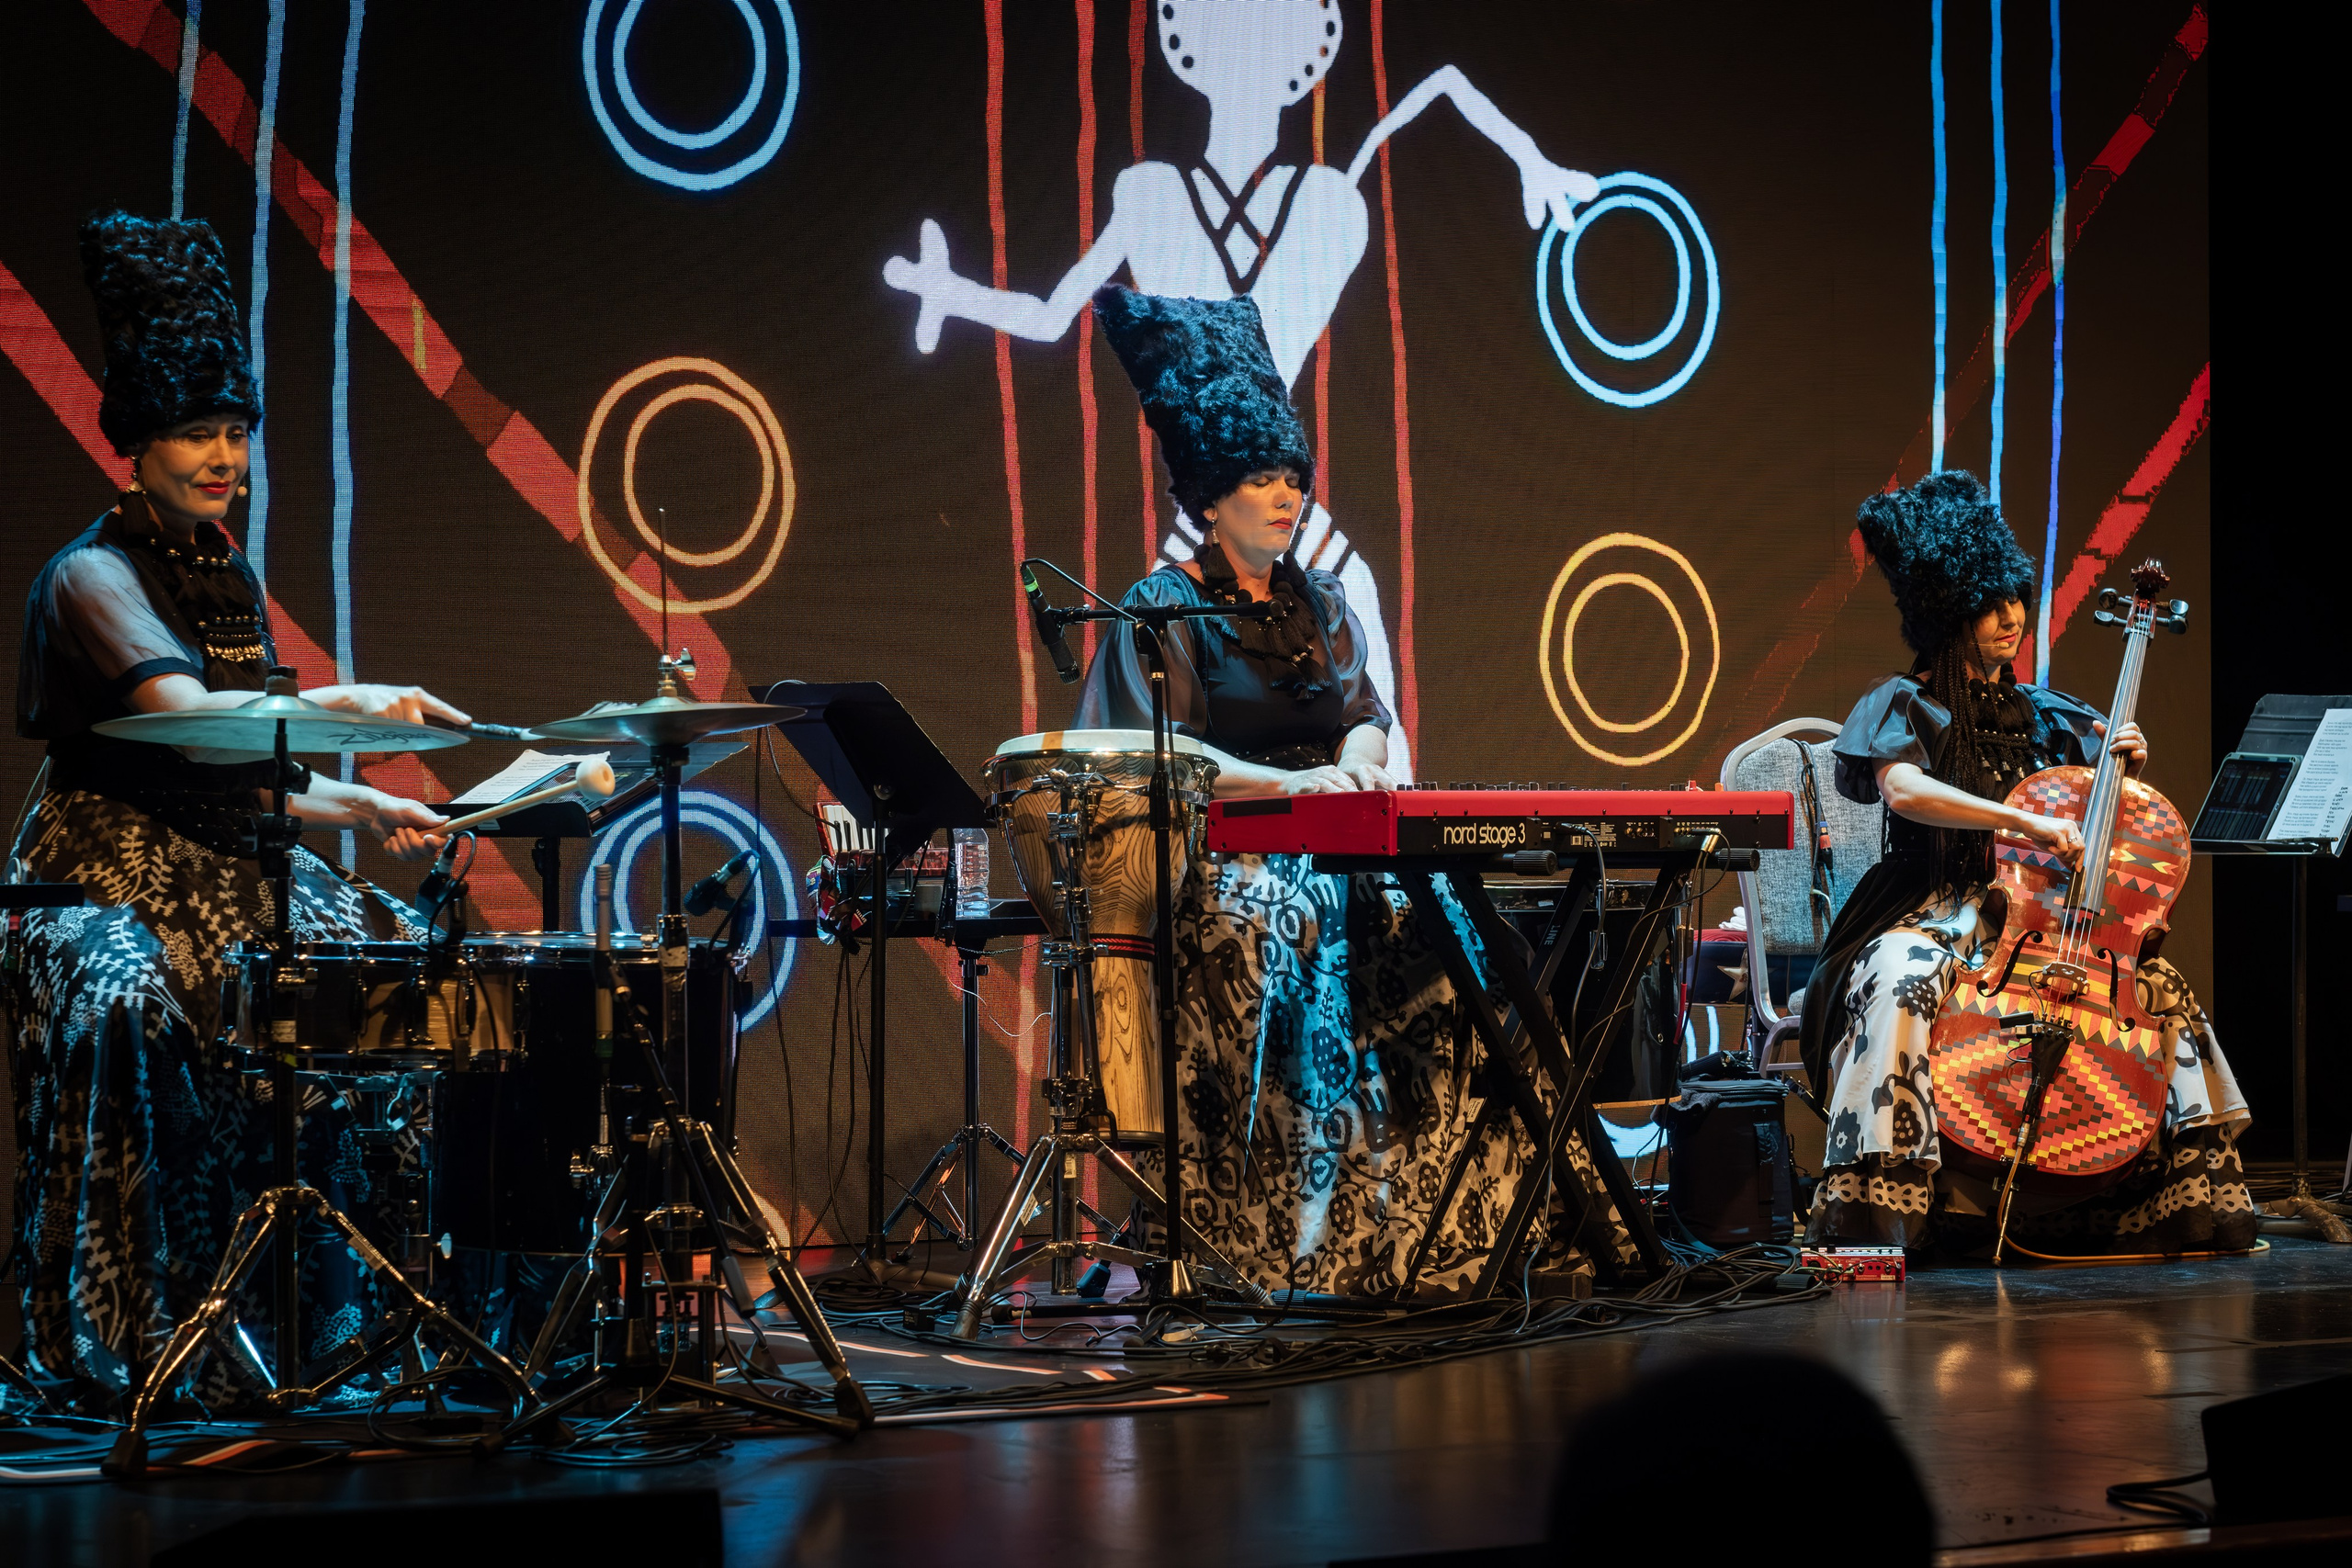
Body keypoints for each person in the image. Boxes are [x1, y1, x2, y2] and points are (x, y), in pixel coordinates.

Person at [1077, 285, 1627, 1296]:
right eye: (1260, 479)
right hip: (1223, 860)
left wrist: (1364, 758)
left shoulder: (1322, 600)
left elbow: (1364, 710)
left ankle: (1457, 1221)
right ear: (1208, 496)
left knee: (1451, 929)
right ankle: (1303, 1239)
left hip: (1338, 840)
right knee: (1295, 921)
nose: (1286, 496)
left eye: (1292, 477)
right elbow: (1158, 758)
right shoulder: (1162, 610)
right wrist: (1291, 784)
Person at [6, 210, 465, 1410]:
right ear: (134, 446)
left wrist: (360, 798)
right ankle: (138, 1332)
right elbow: (193, 719)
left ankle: (353, 1324)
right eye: (199, 433)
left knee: (408, 968)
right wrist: (354, 698)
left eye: (236, 434)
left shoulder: (225, 569)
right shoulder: (90, 576)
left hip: (225, 857)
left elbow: (247, 765)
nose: (225, 457)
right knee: (130, 995)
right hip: (95, 878)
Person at [1798, 470, 2251, 1253]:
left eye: (2017, 600)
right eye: (1991, 604)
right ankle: (1882, 1202)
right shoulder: (1903, 703)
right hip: (1931, 906)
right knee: (1907, 977)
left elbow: (2101, 827)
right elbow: (1904, 789)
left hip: (2041, 925)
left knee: (2156, 988)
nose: (2013, 618)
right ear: (1948, 614)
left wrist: (2116, 777)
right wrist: (2019, 820)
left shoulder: (2056, 713)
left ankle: (2175, 1197)